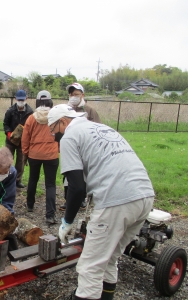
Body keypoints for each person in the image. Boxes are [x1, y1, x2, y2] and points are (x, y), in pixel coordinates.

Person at [47, 104, 155, 300]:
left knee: (90, 266)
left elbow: (76, 187)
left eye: (53, 130)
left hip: (116, 201)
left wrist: (67, 222)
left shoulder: (70, 136)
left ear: (62, 121)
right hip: (144, 195)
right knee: (109, 258)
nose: (54, 136)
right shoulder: (101, 127)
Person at [60, 83, 101, 211]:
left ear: (82, 95)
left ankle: (82, 199)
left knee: (84, 174)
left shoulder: (89, 110)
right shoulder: (66, 110)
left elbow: (98, 128)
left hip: (86, 148)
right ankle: (68, 200)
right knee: (69, 174)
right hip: (70, 146)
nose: (73, 97)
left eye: (76, 94)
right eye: (71, 94)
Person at [21, 90, 59, 224]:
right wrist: (57, 149)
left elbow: (25, 138)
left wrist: (25, 153)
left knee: (33, 179)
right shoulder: (56, 117)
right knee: (50, 184)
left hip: (34, 154)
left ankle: (30, 205)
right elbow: (61, 135)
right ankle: (50, 215)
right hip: (51, 154)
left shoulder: (31, 118)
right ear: (50, 102)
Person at [3, 89, 34, 188]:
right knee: (8, 159)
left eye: (22, 100)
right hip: (10, 140)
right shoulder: (10, 111)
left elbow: (31, 126)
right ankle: (6, 178)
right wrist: (9, 134)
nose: (21, 101)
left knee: (21, 161)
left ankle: (17, 180)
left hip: (23, 140)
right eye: (19, 100)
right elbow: (6, 124)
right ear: (15, 99)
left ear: (26, 99)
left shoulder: (30, 112)